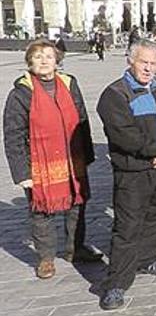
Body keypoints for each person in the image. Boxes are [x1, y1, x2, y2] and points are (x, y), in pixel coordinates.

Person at [96, 39, 156, 310]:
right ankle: (116, 283)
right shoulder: (115, 94)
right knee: (128, 226)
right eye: (143, 62)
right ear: (130, 61)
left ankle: (147, 258)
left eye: (153, 63)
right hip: (134, 171)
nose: (149, 68)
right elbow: (123, 134)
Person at [3, 40, 102, 280]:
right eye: (38, 57)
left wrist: (86, 155)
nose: (45, 61)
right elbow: (13, 134)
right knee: (41, 212)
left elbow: (81, 120)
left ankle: (75, 249)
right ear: (29, 63)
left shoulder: (69, 84)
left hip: (72, 158)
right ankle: (45, 258)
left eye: (49, 56)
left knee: (77, 205)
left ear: (57, 60)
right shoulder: (20, 93)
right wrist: (22, 173)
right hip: (39, 163)